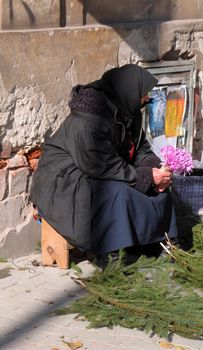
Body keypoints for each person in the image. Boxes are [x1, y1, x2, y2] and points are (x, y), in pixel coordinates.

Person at [30, 64, 177, 268]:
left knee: (161, 186)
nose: (146, 99)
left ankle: (158, 243)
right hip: (63, 182)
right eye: (144, 94)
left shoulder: (128, 110)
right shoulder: (88, 121)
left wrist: (156, 170)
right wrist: (146, 176)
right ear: (127, 91)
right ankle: (112, 254)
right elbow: (98, 165)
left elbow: (141, 148)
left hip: (101, 169)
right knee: (117, 191)